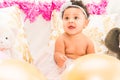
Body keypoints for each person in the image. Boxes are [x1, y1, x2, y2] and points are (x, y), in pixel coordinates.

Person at [54, 0, 95, 69]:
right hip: (66, 68)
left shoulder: (88, 42)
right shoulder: (61, 39)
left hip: (82, 68)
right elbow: (58, 53)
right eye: (66, 18)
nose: (71, 21)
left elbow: (92, 59)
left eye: (76, 18)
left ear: (85, 23)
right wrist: (59, 57)